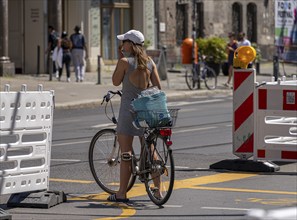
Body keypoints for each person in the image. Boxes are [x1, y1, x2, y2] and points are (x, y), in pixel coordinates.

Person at [108, 29, 162, 202]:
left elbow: (115, 81)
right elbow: (158, 87)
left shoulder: (124, 62)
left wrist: (120, 59)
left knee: (126, 153)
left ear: (130, 45)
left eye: (124, 42)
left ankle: (122, 193)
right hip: (146, 110)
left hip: (128, 111)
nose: (121, 45)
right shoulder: (150, 62)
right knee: (150, 148)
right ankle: (158, 190)